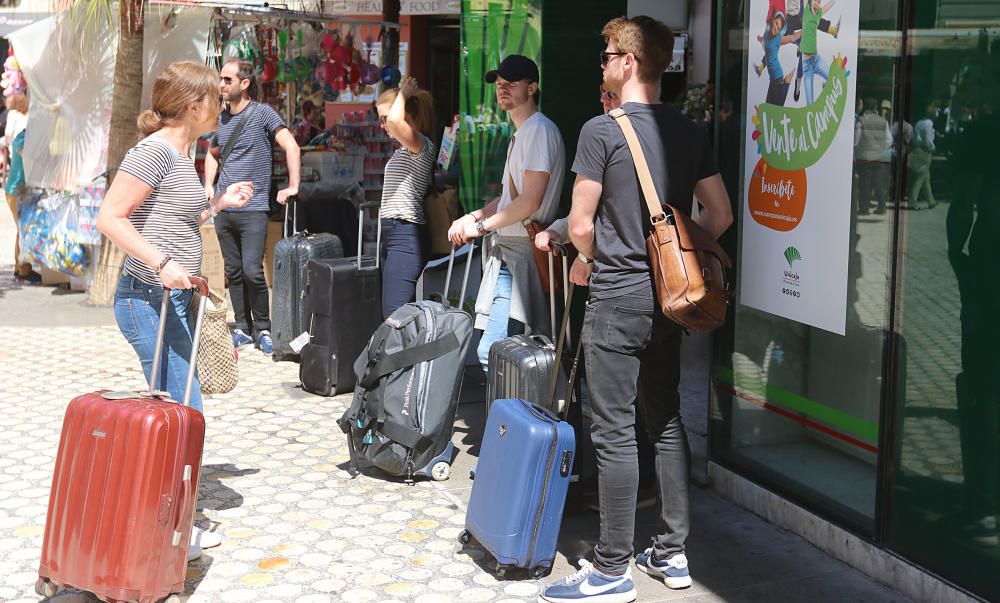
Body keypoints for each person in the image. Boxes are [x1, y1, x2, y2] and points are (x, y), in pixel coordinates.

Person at [539, 16, 733, 603]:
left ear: (628, 63)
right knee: (667, 420)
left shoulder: (602, 131)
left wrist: (591, 255)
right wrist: (671, 247)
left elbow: (578, 225)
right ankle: (673, 555)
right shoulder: (688, 130)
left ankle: (610, 568)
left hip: (618, 298)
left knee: (615, 434)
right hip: (671, 302)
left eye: (604, 56)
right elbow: (719, 217)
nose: (600, 63)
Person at [95, 61, 254, 560]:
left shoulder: (184, 154)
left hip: (174, 301)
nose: (222, 103)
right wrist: (162, 262)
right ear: (195, 105)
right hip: (147, 301)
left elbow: (178, 217)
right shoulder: (155, 152)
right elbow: (109, 217)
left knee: (182, 413)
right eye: (215, 96)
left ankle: (172, 525)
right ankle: (170, 533)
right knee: (179, 415)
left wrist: (219, 205)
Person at [447, 54, 565, 375]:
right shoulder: (524, 132)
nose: (503, 88)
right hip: (510, 254)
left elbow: (529, 202)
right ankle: (515, 420)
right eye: (499, 83)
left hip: (521, 255)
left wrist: (481, 226)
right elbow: (508, 198)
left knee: (498, 353)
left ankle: (513, 422)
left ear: (533, 87)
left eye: (511, 83)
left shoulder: (538, 131)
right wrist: (473, 216)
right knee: (508, 353)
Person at [203, 59, 301, 354]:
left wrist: (293, 186)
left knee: (252, 271)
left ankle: (263, 327)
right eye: (221, 80)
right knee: (233, 271)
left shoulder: (263, 114)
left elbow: (291, 145)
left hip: (254, 207)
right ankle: (243, 328)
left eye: (227, 80)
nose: (221, 85)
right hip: (224, 207)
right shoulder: (221, 118)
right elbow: (212, 152)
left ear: (244, 84)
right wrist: (209, 184)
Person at [375, 76, 436, 318]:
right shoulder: (406, 149)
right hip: (392, 232)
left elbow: (394, 121)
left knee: (394, 313)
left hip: (405, 232)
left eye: (383, 118)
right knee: (392, 311)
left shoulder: (422, 145)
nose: (383, 125)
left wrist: (403, 92)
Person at [3, 91, 37, 283]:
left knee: (21, 228)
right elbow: (29, 159)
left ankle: (20, 267)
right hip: (16, 189)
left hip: (14, 189)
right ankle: (23, 269)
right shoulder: (24, 141)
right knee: (22, 228)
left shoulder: (20, 139)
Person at [854, 97, 893, 215]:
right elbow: (889, 140)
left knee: (865, 183)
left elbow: (856, 139)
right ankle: (882, 207)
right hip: (878, 157)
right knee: (878, 183)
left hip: (864, 157)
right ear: (875, 107)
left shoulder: (861, 120)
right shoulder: (883, 121)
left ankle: (864, 209)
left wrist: (856, 151)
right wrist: (880, 149)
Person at [757, 12, 801, 106]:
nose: (776, 28)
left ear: (779, 31)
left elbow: (792, 38)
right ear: (773, 21)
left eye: (779, 28)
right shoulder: (766, 34)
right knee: (769, 106)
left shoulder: (778, 39)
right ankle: (786, 82)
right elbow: (765, 43)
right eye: (776, 24)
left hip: (777, 76)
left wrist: (804, 30)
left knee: (776, 107)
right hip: (772, 78)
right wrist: (761, 39)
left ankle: (786, 83)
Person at [801, 0, 838, 106]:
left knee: (833, 80)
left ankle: (826, 86)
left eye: (819, 1)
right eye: (815, 1)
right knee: (810, 104)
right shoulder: (806, 10)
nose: (817, 4)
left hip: (816, 60)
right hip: (806, 65)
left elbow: (830, 5)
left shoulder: (819, 13)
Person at [909, 101, 938, 210]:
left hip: (916, 149)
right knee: (920, 178)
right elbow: (928, 140)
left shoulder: (919, 122)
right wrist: (933, 148)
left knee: (926, 177)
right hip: (925, 152)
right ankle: (912, 200)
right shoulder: (929, 124)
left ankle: (931, 201)